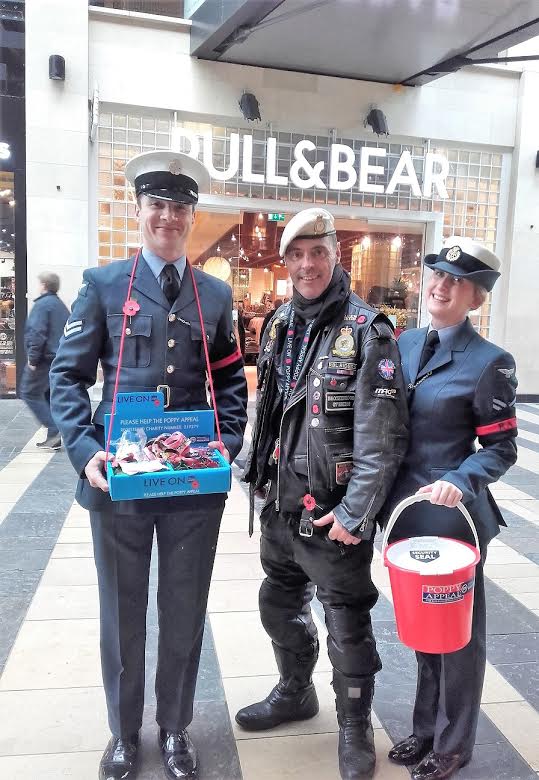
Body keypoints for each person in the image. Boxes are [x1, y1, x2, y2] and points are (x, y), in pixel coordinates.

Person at [50, 150, 247, 780]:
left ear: (192, 216)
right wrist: (85, 454)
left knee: (184, 610)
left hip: (191, 484)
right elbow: (67, 377)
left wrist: (227, 446)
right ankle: (123, 732)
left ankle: (176, 728)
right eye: (156, 204)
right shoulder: (105, 285)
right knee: (122, 610)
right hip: (121, 484)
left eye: (179, 207)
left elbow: (231, 385)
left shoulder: (213, 295)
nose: (167, 216)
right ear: (139, 211)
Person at [237, 207, 409, 780]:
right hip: (281, 504)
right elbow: (274, 411)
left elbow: (382, 439)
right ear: (284, 261)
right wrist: (253, 472)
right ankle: (295, 691)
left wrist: (356, 513)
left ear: (336, 254)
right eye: (296, 254)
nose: (307, 263)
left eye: (318, 251)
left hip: (334, 511)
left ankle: (355, 726)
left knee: (346, 620)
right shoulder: (281, 321)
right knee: (278, 603)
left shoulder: (368, 330)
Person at [383, 236, 518, 780]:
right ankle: (424, 729)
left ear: (476, 299)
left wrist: (461, 480)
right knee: (422, 629)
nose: (441, 285)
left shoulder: (491, 363)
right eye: (437, 274)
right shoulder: (405, 343)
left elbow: (502, 448)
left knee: (458, 636)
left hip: (453, 520)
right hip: (406, 516)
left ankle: (454, 743)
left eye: (457, 281)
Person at [20, 272, 69, 449]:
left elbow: (36, 333)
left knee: (29, 392)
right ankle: (53, 437)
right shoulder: (59, 305)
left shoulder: (43, 305)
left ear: (44, 285)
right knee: (49, 395)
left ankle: (53, 428)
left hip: (43, 359)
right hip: (58, 358)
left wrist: (32, 359)